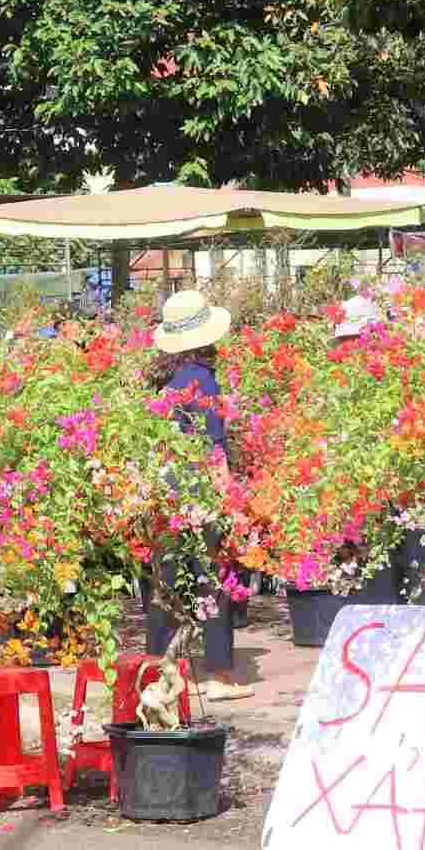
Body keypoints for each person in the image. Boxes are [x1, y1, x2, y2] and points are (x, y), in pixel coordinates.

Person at [143, 289, 253, 703]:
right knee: (213, 580)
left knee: (166, 584)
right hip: (199, 493)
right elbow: (214, 448)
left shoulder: (162, 382)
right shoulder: (204, 381)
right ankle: (220, 674)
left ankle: (161, 670)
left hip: (163, 494)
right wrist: (230, 504)